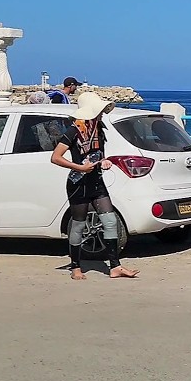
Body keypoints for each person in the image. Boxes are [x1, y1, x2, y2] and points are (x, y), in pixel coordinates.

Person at [50, 91, 138, 280]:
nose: (101, 115)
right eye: (98, 112)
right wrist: (79, 167)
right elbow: (55, 157)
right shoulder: (73, 131)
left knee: (110, 221)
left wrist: (104, 162)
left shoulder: (98, 129)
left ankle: (115, 266)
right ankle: (76, 267)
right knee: (78, 226)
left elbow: (99, 154)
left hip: (96, 181)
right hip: (78, 183)